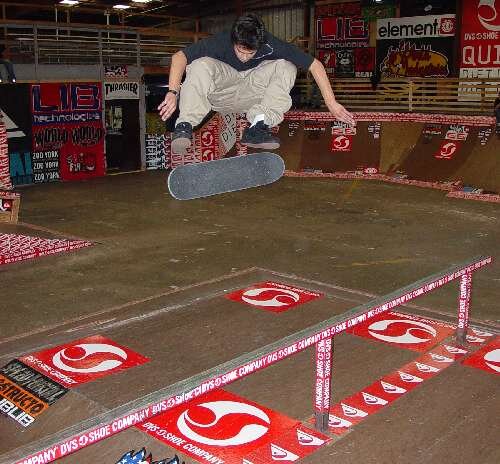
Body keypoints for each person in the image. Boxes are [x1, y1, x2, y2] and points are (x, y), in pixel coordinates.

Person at [158, 13, 354, 154]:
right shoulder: (219, 41)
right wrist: (173, 92)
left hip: (251, 93)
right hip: (221, 93)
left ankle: (258, 125)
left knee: (287, 66)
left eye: (250, 53)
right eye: (240, 51)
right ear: (233, 40)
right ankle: (184, 125)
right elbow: (179, 57)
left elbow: (316, 65)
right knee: (200, 64)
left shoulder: (272, 44)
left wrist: (331, 103)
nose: (244, 57)